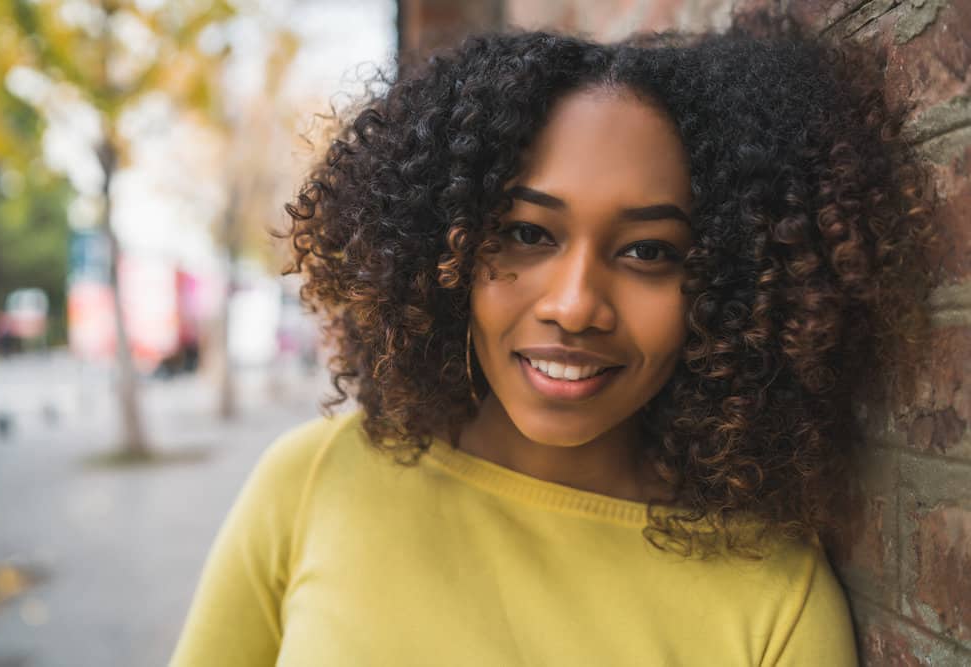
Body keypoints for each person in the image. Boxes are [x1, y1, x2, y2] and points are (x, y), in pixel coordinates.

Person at [171, 9, 934, 666]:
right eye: (528, 232)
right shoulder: (312, 483)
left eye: (649, 250)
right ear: (447, 250)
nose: (574, 306)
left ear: (733, 285)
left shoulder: (778, 599)